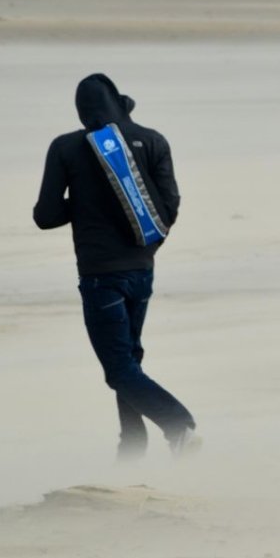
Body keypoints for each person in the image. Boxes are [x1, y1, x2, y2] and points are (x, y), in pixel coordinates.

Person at [34, 73, 199, 457]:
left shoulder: (67, 147)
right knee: (130, 361)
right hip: (142, 269)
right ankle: (132, 446)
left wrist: (84, 202)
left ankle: (178, 426)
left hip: (100, 276)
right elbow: (169, 209)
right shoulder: (153, 140)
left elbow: (45, 216)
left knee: (119, 369)